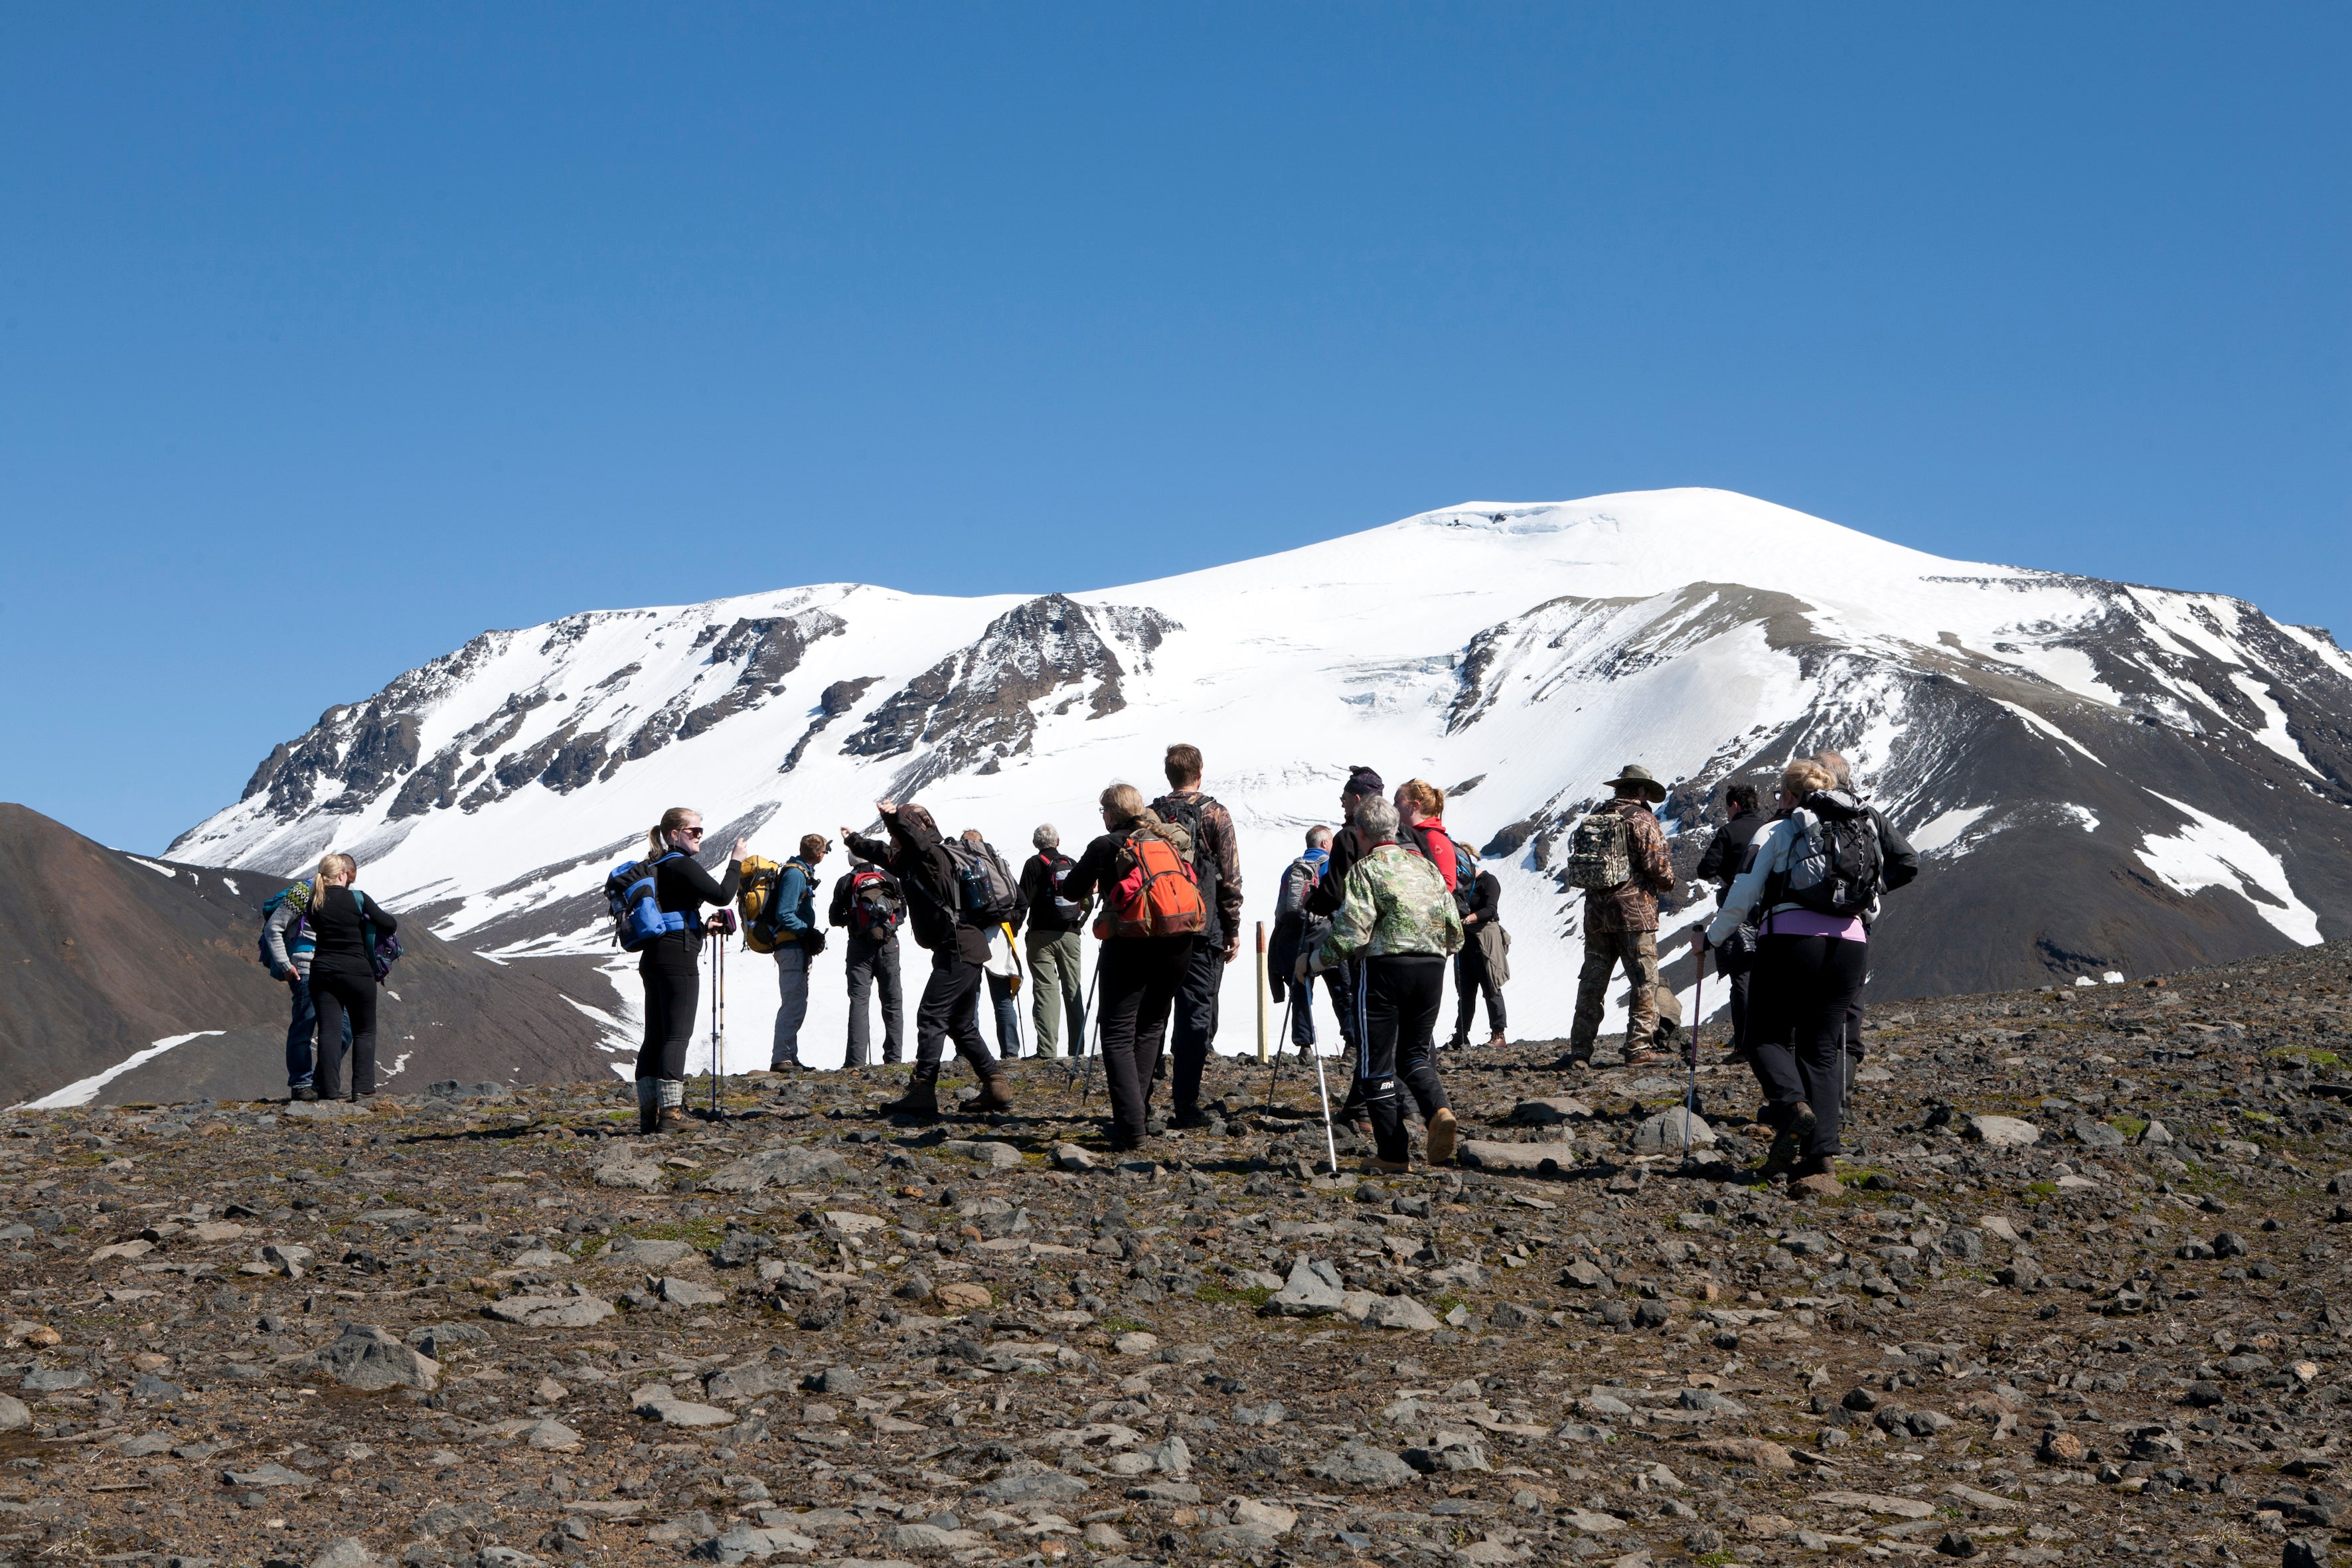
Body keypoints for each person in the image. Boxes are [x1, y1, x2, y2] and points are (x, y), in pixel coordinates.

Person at [1704, 760, 1880, 1184]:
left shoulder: (1779, 830)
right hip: (1851, 948)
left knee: (1764, 1035)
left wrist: (1711, 938)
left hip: (1790, 942)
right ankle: (1819, 1159)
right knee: (1821, 1049)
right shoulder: (1861, 828)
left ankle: (1791, 1106)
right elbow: (1873, 904)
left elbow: (1745, 892)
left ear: (1788, 796)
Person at [1300, 794, 1464, 1170]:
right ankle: (1438, 1111)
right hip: (1432, 968)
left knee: (1376, 1062)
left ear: (1360, 833)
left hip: (1385, 970)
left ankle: (1393, 1153)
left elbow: (1351, 934)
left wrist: (1311, 961)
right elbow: (1455, 928)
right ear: (1396, 829)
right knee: (1414, 1053)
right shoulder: (1425, 868)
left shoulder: (1365, 869)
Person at [1055, 784, 1202, 1150]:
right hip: (1179, 942)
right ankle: (1136, 1115)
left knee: (1118, 1033)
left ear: (1111, 813)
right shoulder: (1164, 841)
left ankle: (1132, 1127)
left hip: (1131, 944)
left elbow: (1071, 890)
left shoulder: (1106, 846)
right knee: (1151, 1026)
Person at [842, 802, 1011, 1119]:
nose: (892, 839)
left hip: (959, 947)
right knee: (960, 1024)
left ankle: (922, 1089)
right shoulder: (915, 861)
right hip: (961, 947)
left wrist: (892, 818)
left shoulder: (931, 855)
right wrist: (855, 841)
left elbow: (913, 840)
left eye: (898, 833)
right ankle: (996, 1083)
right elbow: (883, 854)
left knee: (931, 1015)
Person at [632, 809, 745, 1132]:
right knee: (677, 1036)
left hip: (653, 956)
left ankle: (648, 1116)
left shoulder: (653, 866)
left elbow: (672, 912)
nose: (699, 835)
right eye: (693, 830)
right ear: (674, 834)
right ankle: (671, 1116)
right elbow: (723, 895)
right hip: (678, 959)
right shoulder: (681, 863)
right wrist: (736, 860)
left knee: (654, 1036)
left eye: (700, 830)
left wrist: (700, 927)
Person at [1560, 763, 1678, 1068]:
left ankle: (1580, 1050)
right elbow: (1656, 865)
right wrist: (1669, 882)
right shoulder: (1641, 819)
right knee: (1643, 979)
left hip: (1597, 914)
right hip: (1635, 913)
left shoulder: (1597, 818)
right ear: (1640, 790)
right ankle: (1639, 1048)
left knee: (1592, 981)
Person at [1812, 749, 1919, 1083]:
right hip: (1855, 925)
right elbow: (1909, 861)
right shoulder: (1867, 815)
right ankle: (1841, 1098)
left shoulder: (1805, 813)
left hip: (1806, 925)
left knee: (1808, 1006)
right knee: (1849, 1004)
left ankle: (1805, 1097)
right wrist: (1875, 889)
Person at [1150, 744, 1243, 1128]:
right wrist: (1233, 928)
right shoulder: (1215, 814)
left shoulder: (1151, 814)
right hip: (1202, 929)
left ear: (1169, 774)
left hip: (1156, 929)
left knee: (1152, 1011)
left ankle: (1139, 1097)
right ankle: (1185, 1104)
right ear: (1199, 773)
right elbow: (1231, 877)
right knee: (1195, 1015)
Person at [1306, 766, 1385, 1132]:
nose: (1340, 802)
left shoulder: (1350, 836)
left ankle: (1365, 1110)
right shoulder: (1408, 837)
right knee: (1407, 1031)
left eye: (1344, 796)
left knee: (1372, 1025)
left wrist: (1315, 903)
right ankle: (1414, 1109)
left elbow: (1335, 892)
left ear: (1357, 799)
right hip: (1413, 944)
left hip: (1365, 943)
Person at [303, 853, 399, 1104]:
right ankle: (363, 1088)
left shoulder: (314, 902)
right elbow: (389, 924)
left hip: (323, 972)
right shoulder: (358, 899)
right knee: (365, 1030)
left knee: (329, 1031)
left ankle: (328, 1092)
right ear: (343, 875)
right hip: (357, 972)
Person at [1694, 783, 1768, 1061]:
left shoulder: (1729, 832)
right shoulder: (1770, 829)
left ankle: (1745, 1045)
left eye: (1727, 808)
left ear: (1735, 805)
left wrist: (1728, 870)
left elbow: (1706, 869)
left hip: (1738, 904)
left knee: (1742, 975)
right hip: (1773, 907)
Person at [261, 873, 351, 1103]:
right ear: (341, 874)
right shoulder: (304, 892)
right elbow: (274, 927)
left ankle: (322, 1081)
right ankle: (301, 1083)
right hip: (305, 969)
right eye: (348, 879)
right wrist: (286, 965)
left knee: (344, 1029)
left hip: (332, 970)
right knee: (304, 1026)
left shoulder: (340, 897)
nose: (348, 884)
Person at [830, 848, 906, 1067]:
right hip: (889, 944)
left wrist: (853, 918)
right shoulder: (889, 877)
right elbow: (903, 911)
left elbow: (834, 918)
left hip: (860, 947)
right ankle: (894, 1060)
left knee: (859, 1002)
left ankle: (856, 1062)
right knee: (892, 1002)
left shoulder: (846, 882)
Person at [1018, 824, 1089, 1058]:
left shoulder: (1033, 864)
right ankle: (1077, 1051)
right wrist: (1079, 923)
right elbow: (1086, 900)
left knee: (1046, 989)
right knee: (1073, 990)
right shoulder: (1070, 863)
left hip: (1041, 936)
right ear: (1058, 841)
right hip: (1070, 935)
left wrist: (1016, 929)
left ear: (1035, 843)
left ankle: (1047, 1051)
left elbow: (1023, 901)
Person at [767, 834, 830, 1072]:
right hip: (791, 945)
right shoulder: (795, 874)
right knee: (793, 1002)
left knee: (796, 1002)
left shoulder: (800, 872)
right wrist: (807, 932)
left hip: (795, 945)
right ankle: (781, 1058)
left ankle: (789, 1057)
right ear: (820, 854)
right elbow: (784, 913)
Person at [963, 828, 1028, 1058]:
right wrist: (1014, 924)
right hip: (1000, 933)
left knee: (970, 997)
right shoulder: (997, 864)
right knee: (1002, 998)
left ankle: (969, 1053)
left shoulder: (959, 864)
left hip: (970, 934)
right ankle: (1010, 1052)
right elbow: (1021, 901)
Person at [1266, 826, 1332, 1052]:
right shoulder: (1328, 865)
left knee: (1302, 988)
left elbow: (1282, 907)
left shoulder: (1291, 869)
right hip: (1324, 935)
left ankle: (1304, 1045)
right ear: (1324, 844)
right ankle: (1352, 1042)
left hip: (1292, 937)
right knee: (1342, 988)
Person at [1447, 847, 1508, 1050]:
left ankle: (1499, 1034)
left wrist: (1468, 919)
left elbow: (1490, 909)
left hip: (1484, 941)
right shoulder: (1463, 884)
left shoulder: (1489, 882)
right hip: (1466, 941)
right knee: (1465, 991)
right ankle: (1461, 1036)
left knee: (1491, 987)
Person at [1395, 779, 1459, 890]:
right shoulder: (1410, 835)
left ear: (1414, 806)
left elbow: (1447, 885)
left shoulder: (1434, 838)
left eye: (1397, 802)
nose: (1393, 807)